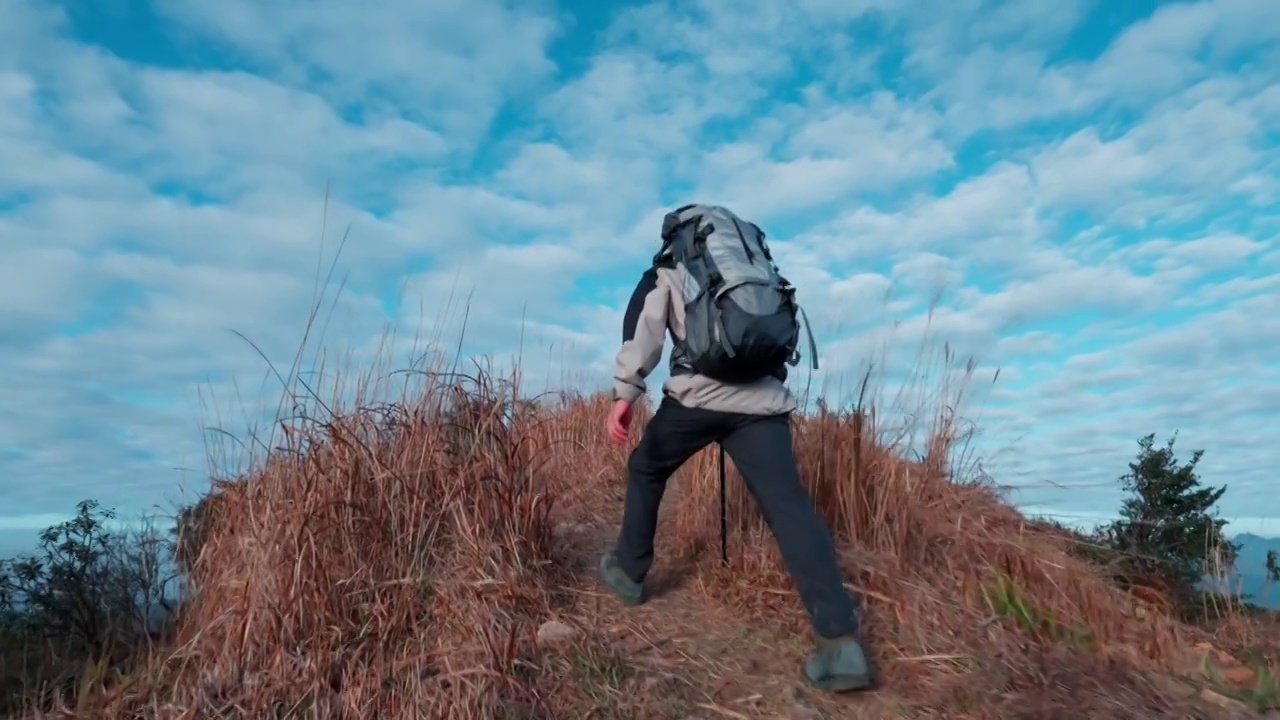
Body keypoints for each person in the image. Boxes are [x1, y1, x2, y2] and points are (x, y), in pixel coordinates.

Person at [597, 206, 874, 694]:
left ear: (677, 232)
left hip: (697, 400)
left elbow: (644, 336)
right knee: (789, 507)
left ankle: (629, 571)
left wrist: (625, 397)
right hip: (763, 405)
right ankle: (840, 645)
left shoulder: (672, 266)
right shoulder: (756, 266)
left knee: (646, 466)